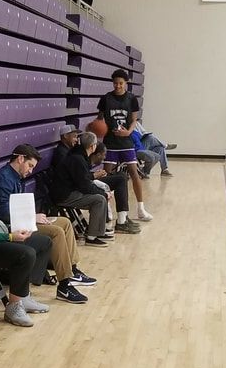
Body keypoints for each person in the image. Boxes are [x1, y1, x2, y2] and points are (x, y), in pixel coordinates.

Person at [0, 143, 95, 303]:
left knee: (64, 222)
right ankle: (64, 285)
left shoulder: (15, 177)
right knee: (56, 232)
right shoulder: (2, 179)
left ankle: (72, 269)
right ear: (20, 159)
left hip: (23, 221)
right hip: (10, 227)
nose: (30, 171)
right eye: (30, 166)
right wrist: (32, 217)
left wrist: (33, 216)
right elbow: (2, 214)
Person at [0, 140, 53, 326]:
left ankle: (24, 295)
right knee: (26, 253)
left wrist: (9, 230)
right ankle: (13, 308)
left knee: (42, 242)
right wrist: (9, 236)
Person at [98, 69, 153, 222]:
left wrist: (128, 132)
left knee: (134, 174)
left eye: (120, 83)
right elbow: (100, 119)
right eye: (115, 83)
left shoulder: (131, 99)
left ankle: (141, 208)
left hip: (126, 142)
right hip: (110, 142)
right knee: (105, 176)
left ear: (126, 84)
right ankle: (107, 208)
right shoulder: (106, 99)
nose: (117, 86)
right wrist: (98, 126)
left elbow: (134, 119)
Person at [50, 132, 110, 246]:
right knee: (99, 199)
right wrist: (104, 194)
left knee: (100, 196)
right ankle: (92, 237)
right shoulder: (78, 159)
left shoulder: (78, 156)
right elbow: (85, 185)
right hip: (64, 195)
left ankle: (99, 232)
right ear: (92, 146)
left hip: (69, 191)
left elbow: (84, 179)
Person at [89, 140, 140, 234]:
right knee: (120, 179)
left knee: (122, 176)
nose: (104, 158)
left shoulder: (84, 157)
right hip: (86, 184)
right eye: (104, 155)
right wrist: (94, 175)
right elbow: (81, 178)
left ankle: (123, 217)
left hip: (90, 179)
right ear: (97, 154)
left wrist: (95, 174)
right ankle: (121, 221)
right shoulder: (79, 158)